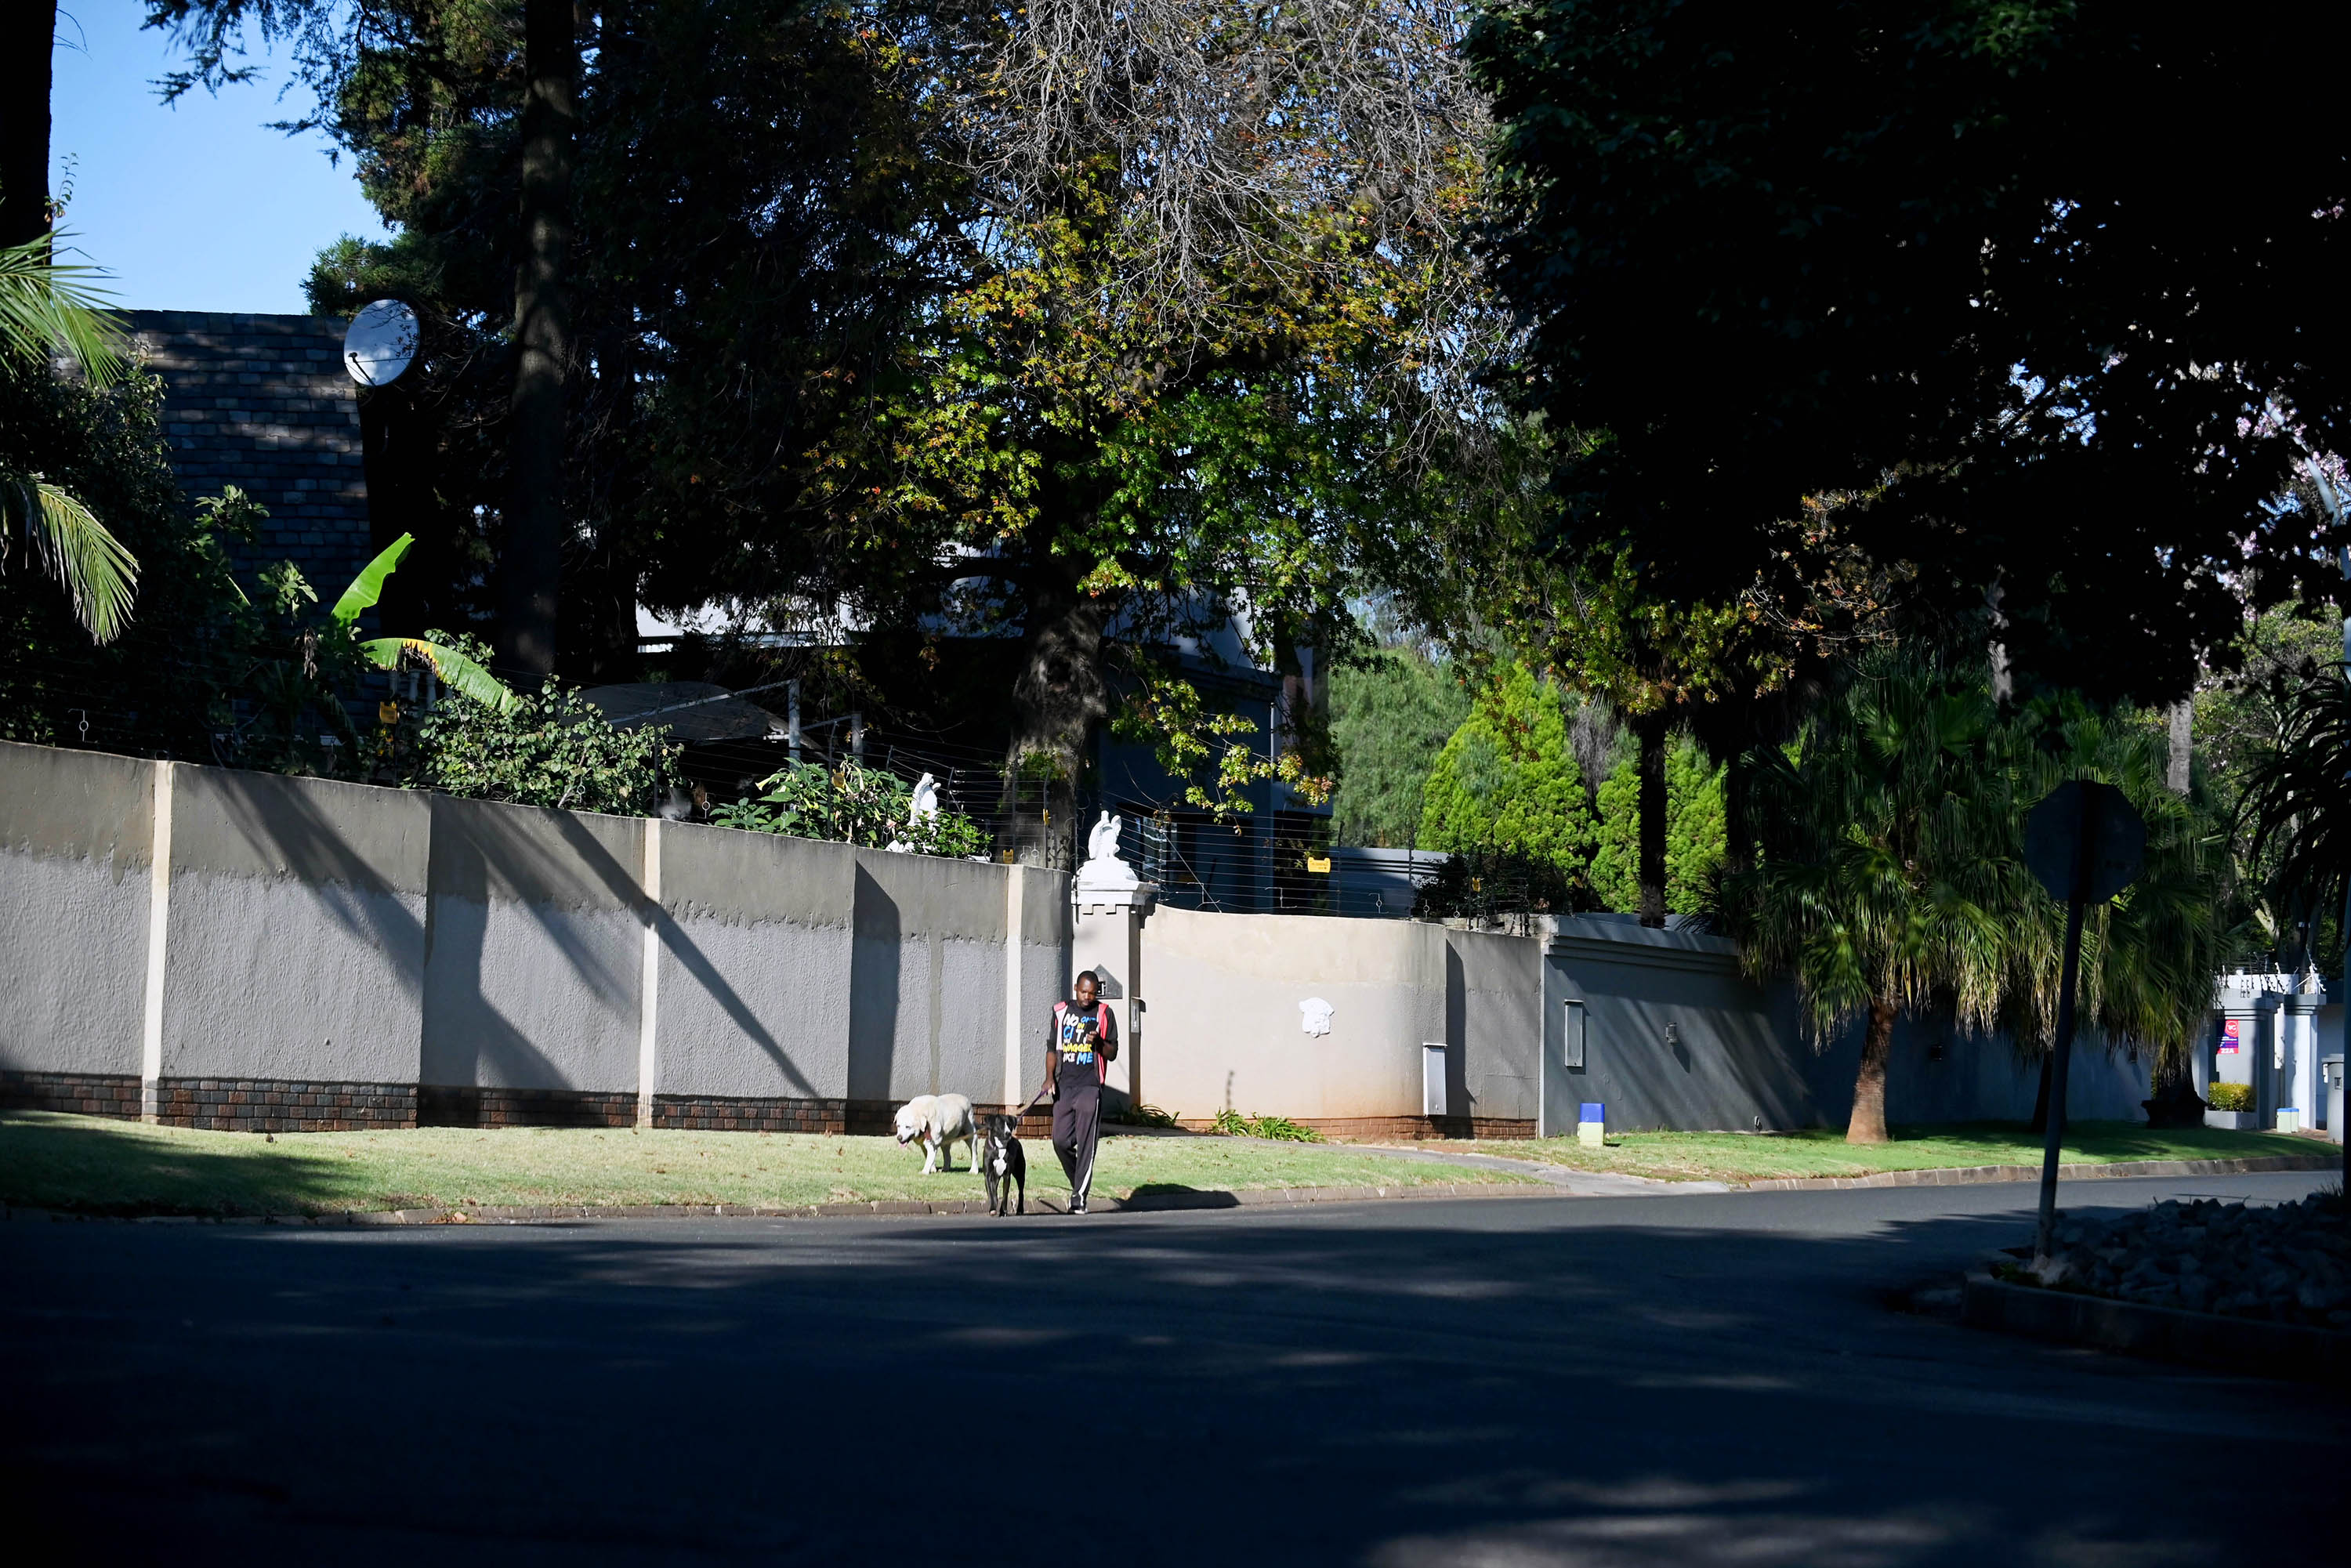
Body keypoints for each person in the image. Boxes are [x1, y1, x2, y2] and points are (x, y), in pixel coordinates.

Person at [1030, 969, 1118, 1214]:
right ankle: (1078, 1183)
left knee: (1087, 1142)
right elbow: (1051, 1048)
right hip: (1065, 1086)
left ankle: (1079, 1197)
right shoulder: (1061, 1012)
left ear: (1096, 993)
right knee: (1060, 1140)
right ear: (1076, 989)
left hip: (1090, 1086)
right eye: (1083, 992)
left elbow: (1113, 1053)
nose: (1087, 997)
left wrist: (1099, 1043)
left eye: (1092, 993)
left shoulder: (1104, 1014)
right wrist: (1049, 1078)